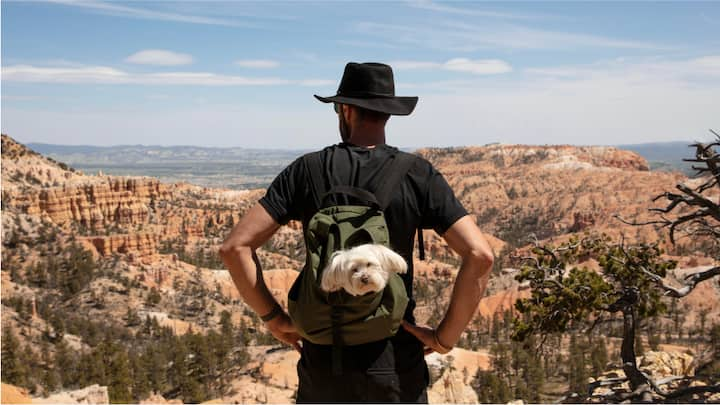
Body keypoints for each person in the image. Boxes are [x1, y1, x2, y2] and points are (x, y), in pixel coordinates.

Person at [219, 62, 494, 403]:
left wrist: (274, 318)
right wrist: (444, 337)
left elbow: (234, 248)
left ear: (345, 109)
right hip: (394, 362)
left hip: (324, 362)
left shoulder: (306, 170)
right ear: (389, 114)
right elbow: (480, 255)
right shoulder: (417, 173)